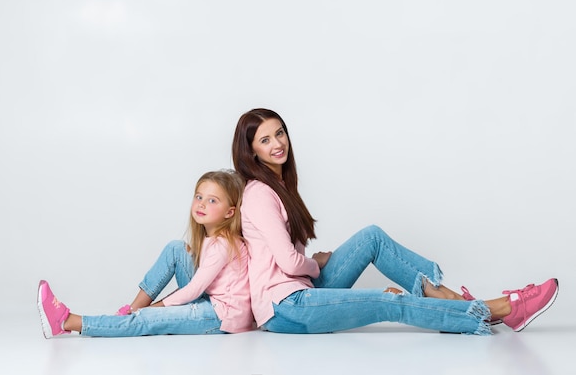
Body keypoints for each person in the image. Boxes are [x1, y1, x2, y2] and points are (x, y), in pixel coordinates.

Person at [231, 108, 559, 335]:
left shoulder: (281, 186)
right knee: (390, 301)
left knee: (371, 237)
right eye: (265, 140)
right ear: (252, 152)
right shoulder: (260, 193)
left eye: (280, 133)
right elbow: (289, 262)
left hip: (299, 292)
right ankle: (495, 309)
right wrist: (314, 263)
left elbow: (288, 261)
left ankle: (453, 301)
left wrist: (309, 266)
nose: (278, 143)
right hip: (285, 307)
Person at [37, 169, 253, 338]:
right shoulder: (212, 239)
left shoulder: (223, 244)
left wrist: (154, 309)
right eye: (199, 197)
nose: (201, 204)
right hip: (210, 299)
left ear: (229, 212)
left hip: (222, 316)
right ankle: (133, 308)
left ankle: (67, 321)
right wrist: (146, 308)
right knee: (176, 248)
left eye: (212, 200)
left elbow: (193, 290)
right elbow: (196, 288)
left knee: (149, 320)